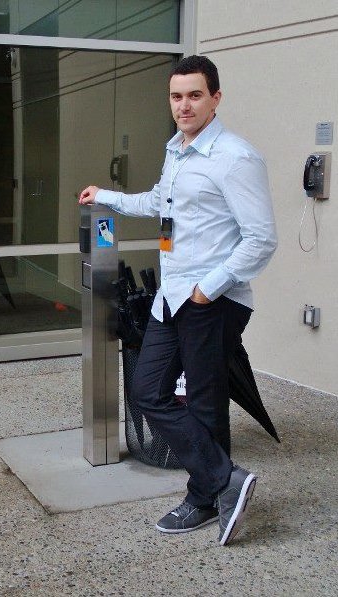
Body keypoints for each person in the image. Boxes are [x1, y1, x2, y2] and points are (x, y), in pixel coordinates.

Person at [79, 55, 277, 546]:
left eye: (194, 95)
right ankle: (225, 480)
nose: (184, 105)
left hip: (212, 299)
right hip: (172, 297)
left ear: (215, 98)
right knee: (149, 391)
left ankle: (204, 499)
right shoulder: (177, 150)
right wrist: (106, 195)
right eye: (176, 96)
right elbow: (157, 204)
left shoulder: (235, 157)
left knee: (205, 401)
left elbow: (261, 238)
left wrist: (208, 288)